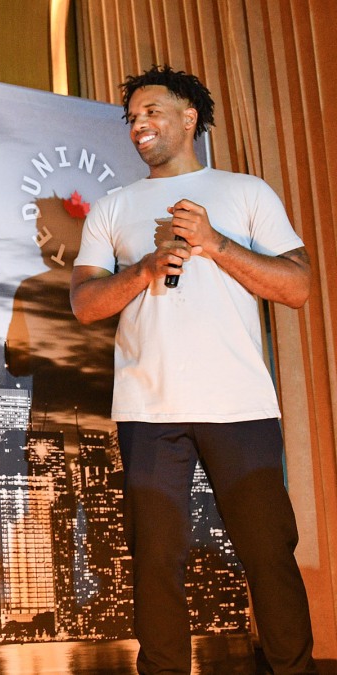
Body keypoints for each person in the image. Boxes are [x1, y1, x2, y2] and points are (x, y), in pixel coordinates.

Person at [70, 65, 315, 674]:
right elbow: (85, 304)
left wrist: (216, 244)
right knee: (155, 562)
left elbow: (298, 287)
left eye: (152, 111)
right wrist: (146, 270)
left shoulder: (246, 192)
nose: (139, 125)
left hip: (239, 406)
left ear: (189, 118)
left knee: (268, 555)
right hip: (150, 411)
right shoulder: (112, 206)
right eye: (132, 118)